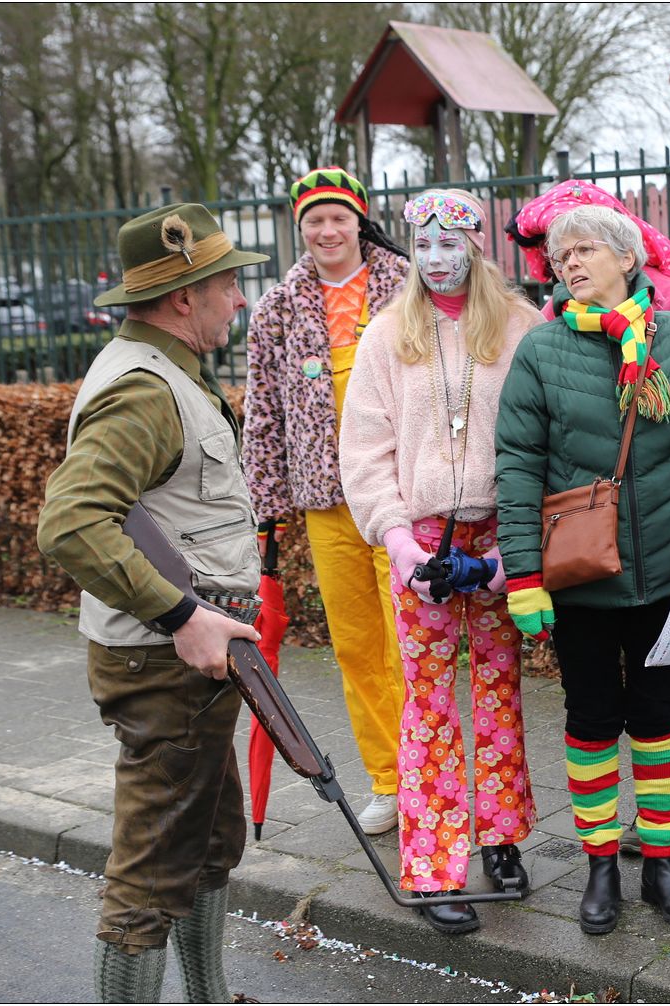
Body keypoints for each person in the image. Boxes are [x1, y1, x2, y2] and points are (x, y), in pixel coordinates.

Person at [36, 203, 270, 1002]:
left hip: (190, 665)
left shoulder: (165, 366)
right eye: (228, 283)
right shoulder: (144, 388)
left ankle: (207, 997)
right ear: (183, 295)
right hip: (166, 661)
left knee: (209, 841)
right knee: (152, 873)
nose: (239, 298)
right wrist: (184, 616)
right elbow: (71, 523)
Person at [495, 205, 670, 934]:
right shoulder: (541, 351)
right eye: (560, 256)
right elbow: (517, 468)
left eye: (585, 250)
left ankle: (662, 865)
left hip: (669, 575)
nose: (569, 264)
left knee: (660, 719)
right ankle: (601, 865)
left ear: (628, 259)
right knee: (592, 721)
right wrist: (523, 576)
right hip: (580, 580)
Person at [339, 189, 543, 935]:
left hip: (497, 533)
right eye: (422, 244)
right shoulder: (386, 334)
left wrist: (511, 554)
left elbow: (540, 441)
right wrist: (399, 544)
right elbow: (365, 451)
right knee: (426, 702)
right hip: (419, 539)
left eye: (449, 242)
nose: (435, 258)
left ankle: (502, 837)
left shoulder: (520, 327)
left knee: (497, 689)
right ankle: (431, 863)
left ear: (475, 245)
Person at [243, 166, 410, 836]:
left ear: (359, 221)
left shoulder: (408, 288)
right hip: (326, 502)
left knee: (409, 642)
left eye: (339, 216)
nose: (327, 230)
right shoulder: (277, 309)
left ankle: (429, 772)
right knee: (357, 648)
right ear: (300, 228)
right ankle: (389, 781)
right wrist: (267, 503)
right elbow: (262, 411)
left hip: (399, 497)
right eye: (314, 219)